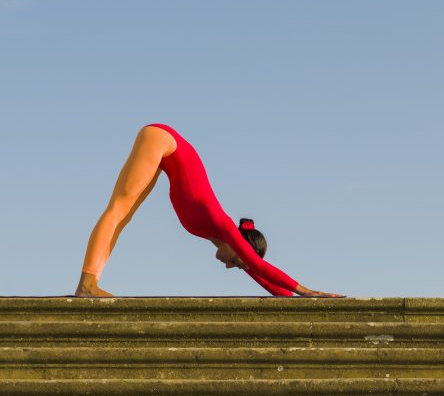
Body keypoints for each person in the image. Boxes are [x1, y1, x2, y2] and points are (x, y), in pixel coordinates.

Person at [76, 123, 345, 298]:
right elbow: (258, 265)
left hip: (167, 155)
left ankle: (89, 284)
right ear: (238, 243)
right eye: (236, 261)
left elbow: (259, 273)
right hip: (163, 141)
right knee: (118, 210)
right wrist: (307, 291)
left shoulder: (220, 236)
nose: (229, 266)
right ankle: (87, 284)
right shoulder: (221, 223)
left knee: (124, 216)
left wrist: (292, 299)